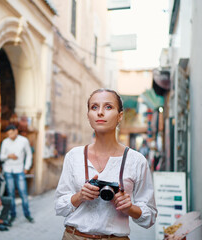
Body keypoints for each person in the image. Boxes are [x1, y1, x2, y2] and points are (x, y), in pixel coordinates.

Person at [55, 88, 157, 239]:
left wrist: (129, 208)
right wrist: (80, 196)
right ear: (88, 116)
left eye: (108, 107)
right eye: (94, 107)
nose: (100, 112)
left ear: (120, 116)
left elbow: (150, 217)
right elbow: (59, 206)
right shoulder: (74, 156)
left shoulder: (136, 160)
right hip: (74, 236)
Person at [0, 124, 34, 223]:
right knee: (11, 194)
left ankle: (27, 215)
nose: (9, 136)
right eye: (8, 134)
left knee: (23, 194)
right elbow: (1, 157)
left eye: (11, 133)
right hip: (8, 171)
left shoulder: (24, 141)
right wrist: (9, 156)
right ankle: (12, 215)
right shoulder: (5, 142)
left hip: (19, 171)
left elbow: (29, 154)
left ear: (16, 131)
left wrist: (26, 168)